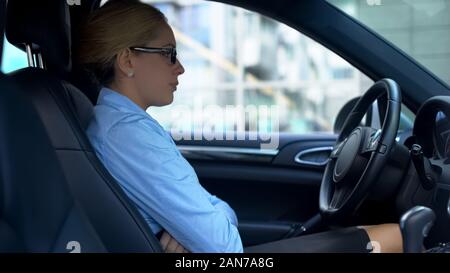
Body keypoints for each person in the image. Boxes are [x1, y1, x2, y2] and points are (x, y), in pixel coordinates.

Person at [77, 0, 403, 253]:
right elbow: (225, 248)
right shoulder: (129, 134)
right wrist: (208, 224)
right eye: (169, 54)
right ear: (127, 60)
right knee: (396, 236)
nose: (181, 68)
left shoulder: (117, 124)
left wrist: (195, 227)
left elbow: (210, 226)